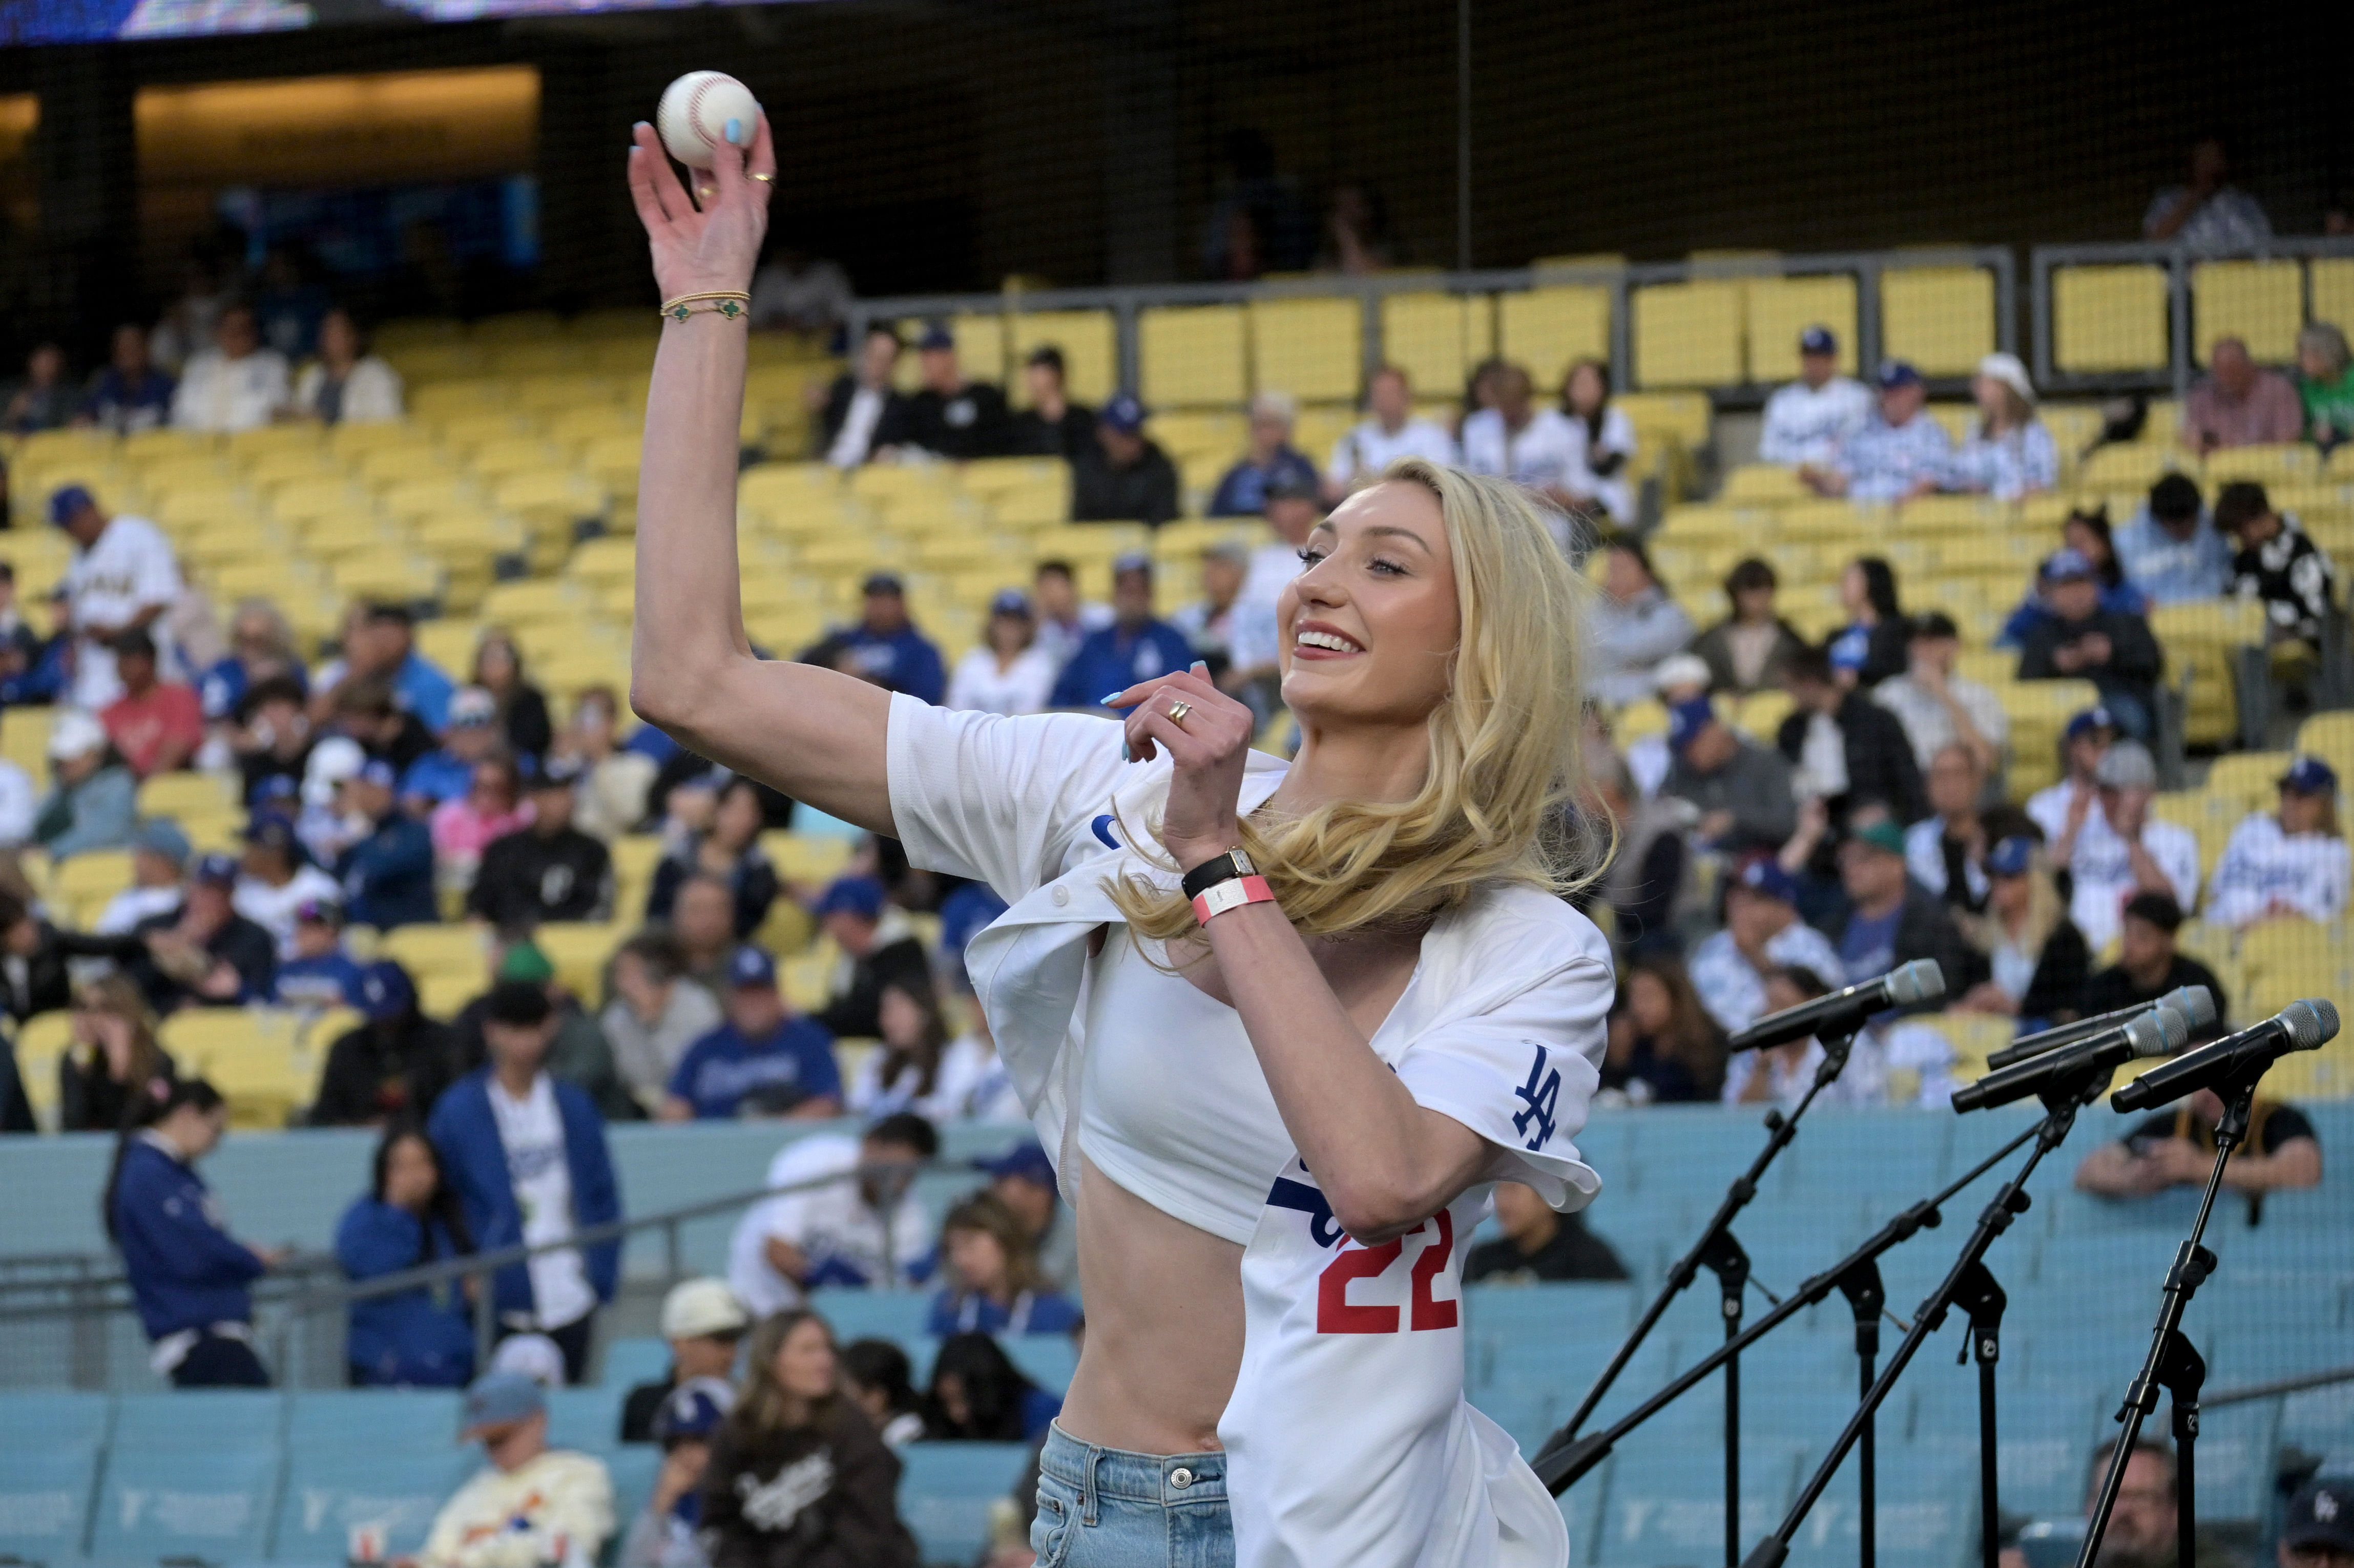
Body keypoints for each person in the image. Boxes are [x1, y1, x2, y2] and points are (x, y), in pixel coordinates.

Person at [631, 126, 1613, 1566]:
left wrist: (1220, 862)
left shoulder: (1527, 943)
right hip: (1101, 1503)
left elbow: (1385, 1170)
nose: (1317, 583)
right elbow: (695, 679)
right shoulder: (1114, 781)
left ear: (1487, 646)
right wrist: (706, 301)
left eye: (1383, 564)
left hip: (1350, 1534)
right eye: (1320, 546)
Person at [428, 980, 622, 1385]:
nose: (523, 1043)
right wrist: (461, 1271)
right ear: (491, 1031)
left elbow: (602, 1192)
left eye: (532, 1028)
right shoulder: (460, 1111)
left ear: (549, 1028)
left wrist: (601, 1270)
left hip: (572, 1293)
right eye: (512, 1029)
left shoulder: (572, 1105)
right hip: (499, 1298)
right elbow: (441, 1202)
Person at [699, 1309, 920, 1568]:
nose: (825, 1361)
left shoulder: (851, 1427)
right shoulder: (737, 1434)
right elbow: (724, 1528)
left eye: (828, 1349)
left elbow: (868, 1532)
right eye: (809, 1350)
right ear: (771, 1361)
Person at [105, 1077, 282, 1386]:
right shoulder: (150, 1174)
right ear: (188, 1115)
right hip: (201, 1335)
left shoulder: (172, 1173)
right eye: (215, 1129)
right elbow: (191, 1250)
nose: (216, 1142)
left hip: (213, 1333)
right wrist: (248, 1260)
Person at [724, 1115, 938, 1315]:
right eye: (890, 1167)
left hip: (825, 1322)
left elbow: (901, 1287)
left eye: (908, 1174)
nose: (896, 1181)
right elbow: (777, 1250)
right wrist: (819, 1279)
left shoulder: (909, 1211)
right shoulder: (814, 1162)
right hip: (759, 1299)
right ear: (869, 1145)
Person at [419, 1373, 616, 1568]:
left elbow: (570, 1544)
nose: (495, 1449)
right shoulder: (480, 1484)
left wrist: (478, 1556)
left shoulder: (578, 1474)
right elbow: (437, 1555)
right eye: (488, 1441)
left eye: (504, 1437)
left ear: (538, 1421)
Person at [338, 1121, 477, 1388]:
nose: (414, 1176)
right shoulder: (366, 1218)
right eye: (402, 1166)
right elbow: (373, 1265)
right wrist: (398, 1211)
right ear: (384, 1172)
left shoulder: (449, 1220)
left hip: (452, 1372)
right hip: (386, 1376)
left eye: (422, 1164)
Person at [663, 947, 842, 1121]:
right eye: (745, 994)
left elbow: (827, 1104)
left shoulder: (808, 1040)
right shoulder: (705, 1047)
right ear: (730, 998)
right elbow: (675, 1108)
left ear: (776, 995)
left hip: (785, 1146)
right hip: (715, 1146)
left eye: (760, 993)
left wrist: (768, 1131)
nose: (753, 1004)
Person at [2054, 741, 2201, 953]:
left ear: (2148, 792)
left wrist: (2131, 839)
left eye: (2117, 792)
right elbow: (2044, 886)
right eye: (2103, 791)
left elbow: (2169, 905)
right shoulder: (2085, 831)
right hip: (2074, 952)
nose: (2108, 800)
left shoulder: (2177, 839)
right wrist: (2070, 832)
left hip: (2133, 953)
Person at [52, 484, 184, 711]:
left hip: (142, 666)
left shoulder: (138, 535)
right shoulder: (78, 556)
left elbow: (158, 600)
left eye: (70, 524)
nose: (68, 532)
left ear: (88, 512)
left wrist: (118, 633)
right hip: (95, 674)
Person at [2076, 1082, 2322, 1199]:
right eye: (2198, 1079)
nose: (2209, 1091)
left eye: (2220, 1077)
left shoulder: (2276, 1117)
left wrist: (2198, 1168)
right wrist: (2131, 1180)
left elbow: (2304, 1171)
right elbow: (2088, 1171)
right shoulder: (2176, 1123)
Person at [2017, 550, 2165, 740]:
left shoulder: (2126, 621)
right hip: (2062, 709)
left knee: (2128, 717)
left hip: (2118, 705)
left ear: (2095, 586)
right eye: (2066, 585)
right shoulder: (2042, 634)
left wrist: (2113, 652)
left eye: (2081, 582)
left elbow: (2153, 663)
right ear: (2052, 594)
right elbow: (2024, 682)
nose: (2075, 593)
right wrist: (2056, 664)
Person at [1689, 858, 1845, 1036]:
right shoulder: (1713, 946)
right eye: (1737, 894)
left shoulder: (1811, 946)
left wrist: (1758, 959)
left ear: (1786, 906)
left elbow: (1825, 1007)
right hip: (1717, 1046)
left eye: (1755, 899)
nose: (1740, 905)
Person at [1779, 644, 1926, 827]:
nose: (1788, 695)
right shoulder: (1793, 729)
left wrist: (1889, 811)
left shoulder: (1875, 721)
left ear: (1810, 683)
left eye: (1791, 687)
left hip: (1872, 817)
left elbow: (1907, 781)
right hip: (1812, 819)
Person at [1954, 837, 2091, 1031]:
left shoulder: (2064, 938)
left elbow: (2068, 1009)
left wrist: (2013, 1007)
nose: (1999, 883)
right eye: (1995, 875)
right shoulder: (1985, 935)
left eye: (2010, 876)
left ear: (2036, 881)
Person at [1836, 821, 1985, 993]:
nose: (1852, 868)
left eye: (1864, 858)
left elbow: (1945, 990)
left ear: (1897, 864)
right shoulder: (1835, 924)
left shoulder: (1933, 921)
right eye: (1846, 859)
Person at [2207, 755, 2351, 928]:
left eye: (2301, 795)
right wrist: (2248, 917)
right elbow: (2228, 887)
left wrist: (2263, 922)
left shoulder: (2334, 853)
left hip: (2288, 942)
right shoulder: (2253, 829)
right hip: (2227, 929)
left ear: (2324, 804)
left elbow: (2313, 915)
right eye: (2285, 791)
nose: (2290, 802)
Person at [469, 758, 614, 928]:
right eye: (554, 793)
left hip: (573, 944)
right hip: (511, 945)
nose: (564, 801)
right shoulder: (504, 850)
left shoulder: (592, 850)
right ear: (534, 798)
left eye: (567, 792)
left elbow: (598, 910)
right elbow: (479, 908)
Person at [128, 852, 279, 1012]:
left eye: (221, 892)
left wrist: (240, 990)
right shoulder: (153, 927)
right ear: (190, 888)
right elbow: (131, 986)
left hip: (221, 1023)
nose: (212, 900)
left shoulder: (254, 938)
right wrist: (178, 940)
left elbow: (265, 999)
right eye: (206, 890)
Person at [1046, 552, 1197, 712]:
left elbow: (1186, 697)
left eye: (1138, 590)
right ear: (1115, 593)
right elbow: (1063, 696)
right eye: (1125, 590)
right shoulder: (1095, 643)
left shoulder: (1171, 642)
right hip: (1095, 730)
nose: (1131, 599)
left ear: (1149, 593)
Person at [2079, 891, 2229, 1043]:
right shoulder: (2103, 986)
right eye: (2127, 933)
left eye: (2142, 936)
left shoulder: (2196, 982)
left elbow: (2207, 1044)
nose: (2129, 944)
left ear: (2168, 941)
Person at [1659, 695, 1799, 856]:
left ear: (1715, 731)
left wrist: (1736, 819)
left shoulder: (1765, 763)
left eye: (1693, 745)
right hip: (1700, 864)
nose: (1688, 755)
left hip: (1759, 865)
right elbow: (1659, 810)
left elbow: (1787, 824)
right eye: (1682, 749)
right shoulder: (1682, 770)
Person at [604, 930, 726, 1116]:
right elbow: (629, 1078)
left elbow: (699, 1071)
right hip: (640, 1111)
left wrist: (654, 1026)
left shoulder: (699, 1006)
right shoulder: (616, 1018)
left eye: (629, 973)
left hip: (695, 1105)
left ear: (658, 973)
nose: (621, 983)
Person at [929, 1189, 1084, 1335]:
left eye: (970, 1244)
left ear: (1005, 1239)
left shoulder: (1054, 1313)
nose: (960, 1260)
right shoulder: (948, 1310)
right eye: (953, 1249)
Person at [620, 1277, 751, 1444]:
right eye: (720, 1339)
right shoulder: (645, 1403)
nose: (731, 1352)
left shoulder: (751, 1401)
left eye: (735, 1340)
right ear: (679, 1343)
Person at [1874, 612, 2007, 777]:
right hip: (1901, 784)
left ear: (1953, 646)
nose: (1922, 650)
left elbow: (1984, 759)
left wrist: (1943, 694)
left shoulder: (1978, 695)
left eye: (1931, 642)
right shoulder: (1888, 694)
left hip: (1956, 783)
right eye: (1916, 642)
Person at [2215, 480, 2340, 656]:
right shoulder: (2246, 559)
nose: (2239, 539)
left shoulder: (2302, 551)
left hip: (2306, 652)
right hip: (2254, 650)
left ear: (2258, 518)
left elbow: (2316, 614)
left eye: (2240, 530)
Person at [648, 776, 779, 939]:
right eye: (734, 809)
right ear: (715, 809)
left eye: (752, 811)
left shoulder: (760, 869)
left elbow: (750, 921)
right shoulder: (676, 860)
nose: (743, 820)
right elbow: (656, 914)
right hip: (675, 946)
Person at [620, 1379, 732, 1568]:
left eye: (701, 1440)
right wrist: (660, 1505)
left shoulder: (746, 1498)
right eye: (678, 1443)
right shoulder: (669, 1507)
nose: (687, 1454)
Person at [1802, 361, 1952, 501]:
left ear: (1916, 392)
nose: (1890, 399)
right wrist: (1819, 481)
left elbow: (1930, 483)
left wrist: (1893, 514)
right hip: (1859, 518)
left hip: (1907, 518)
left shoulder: (1931, 435)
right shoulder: (1862, 433)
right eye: (1886, 392)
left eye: (1897, 392)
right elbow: (1839, 482)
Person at [848, 976, 987, 1120]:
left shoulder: (955, 1057)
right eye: (886, 1011)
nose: (889, 1021)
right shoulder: (878, 1059)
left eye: (899, 1009)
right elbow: (859, 1110)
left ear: (924, 1013)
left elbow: (955, 1112)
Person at [799, 573, 947, 706]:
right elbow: (803, 667)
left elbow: (928, 699)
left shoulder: (921, 651)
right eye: (874, 599)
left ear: (901, 604)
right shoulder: (843, 641)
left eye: (886, 600)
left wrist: (873, 685)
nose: (879, 608)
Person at [1598, 954, 1724, 1104]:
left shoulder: (1710, 1045)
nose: (1637, 1008)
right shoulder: (1633, 1045)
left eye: (1648, 996)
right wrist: (1617, 1061)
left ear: (1676, 998)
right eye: (1633, 997)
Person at [1458, 362, 1581, 514]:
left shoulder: (1561, 430)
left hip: (1548, 526)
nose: (1509, 412)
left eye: (1515, 404)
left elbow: (1581, 495)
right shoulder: (1476, 428)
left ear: (1528, 398)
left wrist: (1552, 498)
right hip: (1495, 526)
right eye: (1503, 404)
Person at [59, 974, 175, 1134]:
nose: (95, 1019)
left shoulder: (157, 1059)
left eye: (105, 1010)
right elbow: (74, 1128)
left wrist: (120, 1067)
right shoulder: (77, 1060)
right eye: (85, 1009)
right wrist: (81, 1070)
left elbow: (150, 1126)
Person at [1585, 538, 1695, 705]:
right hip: (1594, 701)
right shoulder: (1593, 609)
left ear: (1646, 573)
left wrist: (1598, 648)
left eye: (1623, 568)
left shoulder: (1669, 612)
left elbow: (1640, 647)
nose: (1615, 575)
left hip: (1650, 701)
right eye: (1611, 568)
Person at [1322, 365, 1455, 500]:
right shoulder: (1354, 438)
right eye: (1379, 394)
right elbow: (1333, 488)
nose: (1385, 400)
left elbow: (1443, 483)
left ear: (1406, 396)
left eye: (1391, 393)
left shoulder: (1432, 436)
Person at [1461, 1181, 1628, 1284]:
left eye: (1512, 1190)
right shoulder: (1481, 1260)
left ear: (1551, 1197)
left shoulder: (1592, 1262)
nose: (1502, 1203)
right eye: (1499, 1190)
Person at [1941, 351, 2056, 499]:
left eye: (1983, 383)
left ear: (2003, 388)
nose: (1975, 389)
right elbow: (1955, 475)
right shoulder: (1976, 433)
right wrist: (1967, 487)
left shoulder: (2034, 435)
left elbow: (2043, 484)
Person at [1689, 557, 1808, 697]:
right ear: (1736, 595)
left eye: (1762, 590)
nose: (1756, 599)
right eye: (1750, 591)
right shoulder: (1713, 640)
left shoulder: (1789, 638)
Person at [975, 1140, 1079, 1294]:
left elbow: (1040, 1288)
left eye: (1001, 1180)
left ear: (1039, 1191)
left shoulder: (1074, 1238)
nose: (991, 1189)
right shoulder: (1005, 1231)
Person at [1757, 325, 1871, 466]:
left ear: (1833, 359)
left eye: (1819, 357)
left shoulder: (1857, 396)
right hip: (1791, 478)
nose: (1813, 364)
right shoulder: (1782, 400)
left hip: (1837, 478)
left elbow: (1862, 447)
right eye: (1808, 357)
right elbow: (1768, 451)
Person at [97, 629, 203, 780]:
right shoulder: (109, 712)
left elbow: (178, 747)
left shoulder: (180, 698)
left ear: (151, 660)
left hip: (171, 787)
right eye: (121, 660)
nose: (124, 667)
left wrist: (145, 789)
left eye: (131, 660)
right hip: (124, 790)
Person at [33, 709, 138, 860]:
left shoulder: (117, 784)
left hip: (93, 868)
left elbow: (104, 832)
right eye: (60, 758)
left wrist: (49, 851)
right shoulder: (60, 786)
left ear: (96, 754)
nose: (64, 764)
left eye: (72, 755)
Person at [559, 687, 660, 842]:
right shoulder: (567, 769)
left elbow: (631, 815)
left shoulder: (637, 768)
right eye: (579, 717)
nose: (581, 728)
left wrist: (601, 762)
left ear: (611, 723)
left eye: (590, 718)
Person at [924, 1331, 1062, 1444]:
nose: (957, 1414)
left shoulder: (1040, 1410)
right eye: (948, 1403)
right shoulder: (929, 1417)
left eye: (964, 1400)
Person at [2115, 474, 2233, 605]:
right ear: (2159, 520)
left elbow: (2227, 578)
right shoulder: (2125, 543)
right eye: (2178, 528)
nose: (2186, 532)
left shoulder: (2215, 530)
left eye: (2191, 524)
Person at [232, 815, 342, 957]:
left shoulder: (318, 889)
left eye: (251, 846)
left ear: (276, 853)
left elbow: (330, 944)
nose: (244, 854)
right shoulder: (242, 891)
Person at [170, 304, 290, 432]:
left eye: (243, 329)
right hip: (197, 444)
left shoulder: (273, 365)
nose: (236, 335)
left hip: (253, 444)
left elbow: (278, 409)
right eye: (230, 329)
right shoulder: (198, 364)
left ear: (255, 332)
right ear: (218, 332)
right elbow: (180, 411)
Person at [901, 322, 1011, 461]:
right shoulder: (920, 404)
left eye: (929, 356)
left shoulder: (986, 397)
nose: (923, 364)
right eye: (922, 357)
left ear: (949, 357)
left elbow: (1003, 448)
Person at [1906, 744, 1994, 913]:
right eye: (1941, 776)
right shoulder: (1913, 842)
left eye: (1959, 774)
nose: (1950, 784)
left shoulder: (2000, 832)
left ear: (1976, 781)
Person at [1071, 393, 1182, 526]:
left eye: (1136, 434)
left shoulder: (1158, 465)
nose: (1132, 444)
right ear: (1104, 433)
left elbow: (1164, 522)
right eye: (1124, 436)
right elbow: (1081, 524)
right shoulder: (1088, 463)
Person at [2145, 136, 2272, 250]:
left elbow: (2263, 248)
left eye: (2215, 156)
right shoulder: (2168, 199)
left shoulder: (2243, 203)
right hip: (2182, 276)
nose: (2208, 163)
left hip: (2230, 275)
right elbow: (2154, 242)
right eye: (2203, 155)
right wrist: (2192, 200)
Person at [432, 758, 532, 901]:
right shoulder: (449, 815)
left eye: (497, 787)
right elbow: (442, 861)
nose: (486, 794)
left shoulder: (524, 816)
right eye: (480, 786)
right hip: (459, 891)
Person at [1209, 391, 1321, 517]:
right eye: (1258, 425)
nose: (1264, 432)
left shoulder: (1301, 468)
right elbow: (1215, 516)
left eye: (1270, 424)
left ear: (1287, 428)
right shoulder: (1237, 474)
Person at [2182, 337, 2304, 452]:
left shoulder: (2277, 389)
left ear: (2248, 366)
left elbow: (2288, 440)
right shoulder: (2203, 395)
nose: (2226, 380)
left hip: (2267, 470)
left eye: (2232, 371)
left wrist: (2241, 451)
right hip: (2220, 470)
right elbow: (2190, 437)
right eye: (2220, 372)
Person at [947, 590, 1058, 716]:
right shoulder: (974, 660)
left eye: (1016, 623)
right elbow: (956, 709)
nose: (1009, 630)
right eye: (1004, 622)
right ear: (993, 625)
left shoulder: (1038, 663)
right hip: (971, 735)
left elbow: (1031, 712)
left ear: (1027, 627)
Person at [816, 322, 911, 468]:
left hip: (870, 473)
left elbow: (897, 446)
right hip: (829, 466)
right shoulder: (842, 387)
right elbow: (823, 419)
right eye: (874, 354)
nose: (877, 362)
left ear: (894, 363)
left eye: (884, 357)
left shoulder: (901, 407)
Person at [1557, 359, 1639, 523]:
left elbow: (1607, 466)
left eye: (1589, 383)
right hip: (1560, 498)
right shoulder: (1550, 421)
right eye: (1578, 382)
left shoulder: (1615, 419)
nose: (1582, 389)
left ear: (1603, 387)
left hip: (1604, 499)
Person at [289, 308, 403, 424]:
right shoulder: (312, 375)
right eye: (325, 331)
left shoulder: (378, 375)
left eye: (335, 331)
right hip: (313, 441)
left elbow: (387, 422)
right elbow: (299, 418)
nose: (328, 337)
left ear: (353, 336)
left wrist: (325, 418)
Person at [2027, 706, 2117, 847]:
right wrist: (2072, 830)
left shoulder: (2121, 802)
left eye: (2110, 741)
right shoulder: (2043, 805)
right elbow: (2039, 866)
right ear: (2072, 746)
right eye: (2095, 741)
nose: (2105, 749)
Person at [96, 817, 197, 935]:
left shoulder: (183, 904)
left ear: (162, 862)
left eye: (143, 854)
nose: (136, 861)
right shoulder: (128, 896)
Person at [472, 630, 554, 765]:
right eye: (489, 658)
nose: (494, 665)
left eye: (501, 658)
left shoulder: (531, 700)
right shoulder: (469, 698)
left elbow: (537, 741)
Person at [1827, 557, 1910, 690]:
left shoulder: (1899, 631)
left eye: (1848, 580)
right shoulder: (1835, 636)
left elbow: (1898, 668)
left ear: (1871, 582)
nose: (1842, 586)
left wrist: (1859, 677)